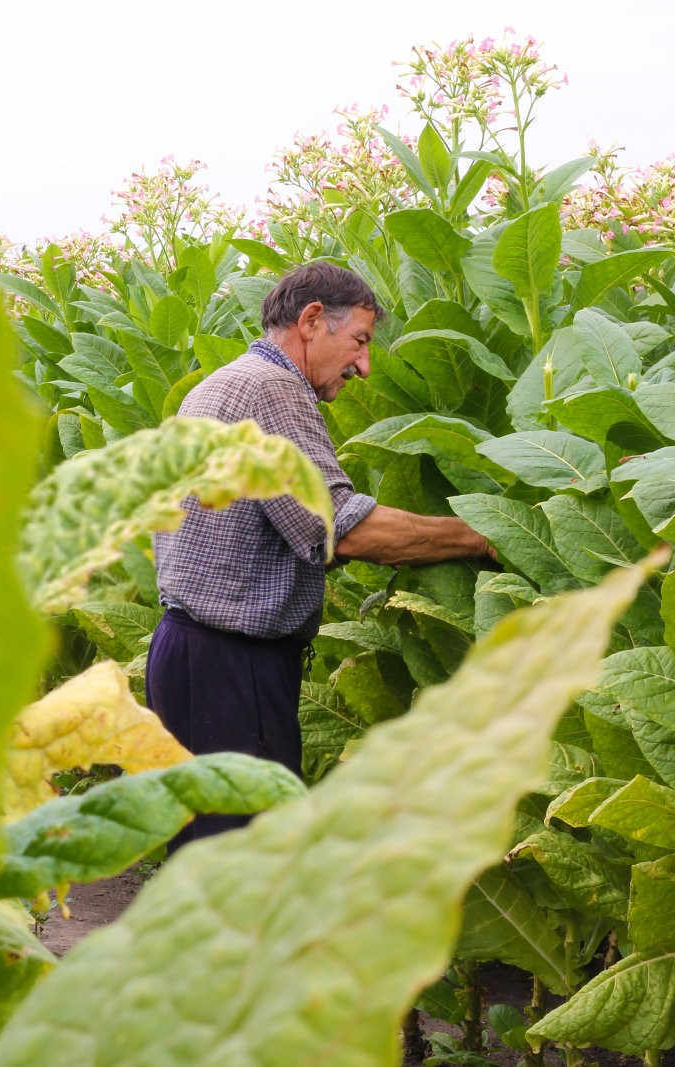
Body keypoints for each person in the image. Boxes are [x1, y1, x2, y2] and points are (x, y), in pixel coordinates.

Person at [148, 262, 491, 846]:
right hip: (231, 672)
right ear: (311, 322)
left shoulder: (224, 382)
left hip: (189, 657)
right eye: (359, 341)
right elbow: (338, 527)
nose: (364, 366)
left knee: (205, 868)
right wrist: (484, 534)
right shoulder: (272, 389)